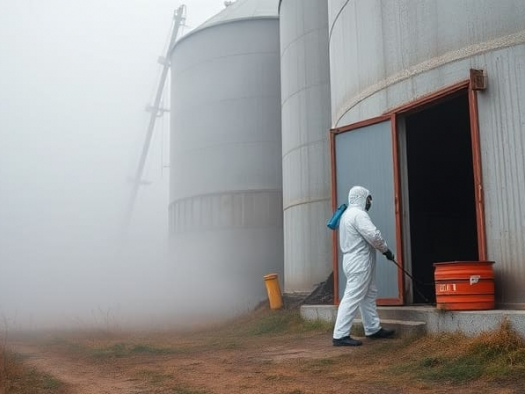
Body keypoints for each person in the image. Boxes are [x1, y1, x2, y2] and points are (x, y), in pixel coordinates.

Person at [332, 185, 396, 346]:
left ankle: (372, 328)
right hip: (359, 262)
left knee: (368, 295)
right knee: (353, 296)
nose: (370, 202)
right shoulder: (358, 215)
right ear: (362, 197)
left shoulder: (347, 215)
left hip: (353, 260)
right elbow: (373, 236)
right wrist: (386, 250)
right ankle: (340, 335)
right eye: (368, 199)